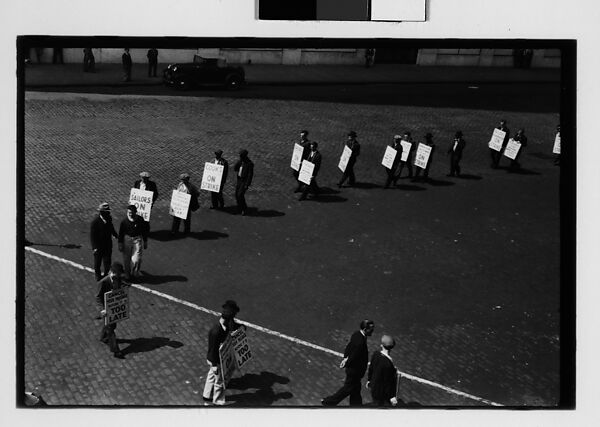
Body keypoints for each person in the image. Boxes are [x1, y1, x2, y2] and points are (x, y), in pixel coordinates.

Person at [322, 319, 375, 406]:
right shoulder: (361, 342)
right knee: (348, 388)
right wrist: (347, 361)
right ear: (365, 329)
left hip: (353, 369)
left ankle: (356, 405)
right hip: (355, 371)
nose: (372, 331)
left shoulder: (356, 334)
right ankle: (329, 401)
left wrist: (345, 358)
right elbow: (354, 355)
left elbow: (349, 347)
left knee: (356, 389)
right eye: (371, 329)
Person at [203, 300, 243, 405]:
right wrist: (214, 364)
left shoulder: (225, 324)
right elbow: (212, 349)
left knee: (211, 375)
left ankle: (206, 396)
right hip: (215, 359)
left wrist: (241, 327)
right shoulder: (216, 331)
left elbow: (234, 325)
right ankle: (218, 402)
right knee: (220, 381)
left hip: (216, 358)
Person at [96, 262, 129, 359]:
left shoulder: (117, 279)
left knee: (112, 325)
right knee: (110, 329)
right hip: (106, 309)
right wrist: (102, 310)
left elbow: (120, 286)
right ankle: (116, 350)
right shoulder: (103, 282)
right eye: (118, 274)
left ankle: (103, 337)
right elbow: (98, 297)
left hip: (113, 308)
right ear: (113, 273)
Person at [118, 205, 148, 281]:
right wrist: (120, 243)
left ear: (135, 212)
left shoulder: (140, 220)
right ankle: (127, 275)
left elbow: (144, 231)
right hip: (127, 240)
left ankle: (135, 273)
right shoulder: (124, 222)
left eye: (131, 212)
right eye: (128, 212)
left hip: (137, 239)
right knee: (126, 259)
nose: (129, 214)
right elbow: (121, 233)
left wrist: (145, 241)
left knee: (136, 259)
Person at [367, 335, 399, 407]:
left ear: (382, 345)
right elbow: (387, 382)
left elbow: (371, 368)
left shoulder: (376, 354)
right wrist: (392, 396)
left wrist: (369, 380)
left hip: (374, 388)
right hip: (382, 393)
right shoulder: (388, 364)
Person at [90, 202, 118, 281]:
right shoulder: (95, 222)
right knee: (97, 263)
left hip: (107, 245)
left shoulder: (109, 218)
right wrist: (94, 247)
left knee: (107, 261)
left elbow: (111, 227)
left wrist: (115, 235)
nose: (109, 213)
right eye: (107, 211)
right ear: (102, 212)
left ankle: (106, 275)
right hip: (98, 247)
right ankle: (98, 276)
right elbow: (93, 236)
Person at [233, 149, 254, 216]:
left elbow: (250, 175)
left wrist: (247, 184)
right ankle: (240, 207)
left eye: (241, 155)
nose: (240, 156)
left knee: (240, 195)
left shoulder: (249, 164)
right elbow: (235, 169)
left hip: (244, 181)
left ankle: (244, 209)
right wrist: (238, 162)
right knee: (236, 194)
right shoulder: (241, 162)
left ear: (244, 156)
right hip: (239, 180)